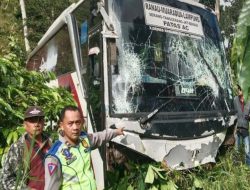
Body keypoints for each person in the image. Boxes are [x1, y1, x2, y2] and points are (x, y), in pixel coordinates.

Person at [44, 105, 124, 190]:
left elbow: (101, 136)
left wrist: (117, 131)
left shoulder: (84, 139)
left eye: (78, 122)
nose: (75, 127)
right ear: (62, 125)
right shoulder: (55, 156)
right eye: (70, 123)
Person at [1, 106, 51, 190]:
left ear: (43, 122)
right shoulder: (18, 148)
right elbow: (6, 179)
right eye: (32, 121)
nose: (36, 124)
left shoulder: (52, 142)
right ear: (24, 125)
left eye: (39, 120)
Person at [233, 85, 250, 166]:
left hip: (245, 129)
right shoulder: (235, 100)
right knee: (236, 148)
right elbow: (232, 111)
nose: (239, 91)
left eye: (240, 90)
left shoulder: (249, 101)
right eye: (238, 90)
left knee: (247, 149)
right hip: (237, 128)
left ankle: (248, 165)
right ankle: (235, 165)